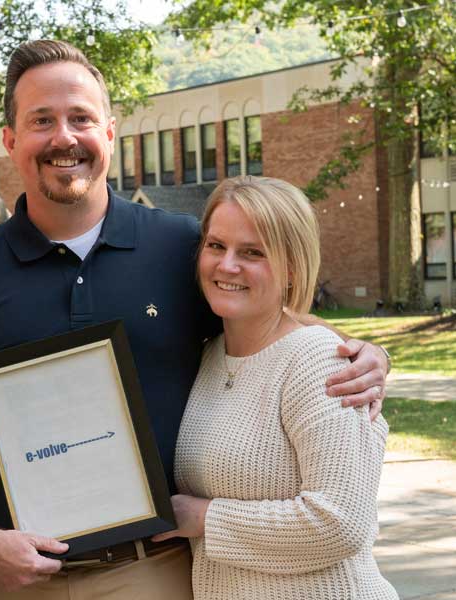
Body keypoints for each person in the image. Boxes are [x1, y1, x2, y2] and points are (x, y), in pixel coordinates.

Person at [0, 40, 391, 599]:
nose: (64, 138)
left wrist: (365, 351)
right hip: (7, 573)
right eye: (42, 120)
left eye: (81, 118)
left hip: (155, 571)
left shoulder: (185, 247)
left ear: (111, 132)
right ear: (11, 140)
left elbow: (270, 319)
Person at [159, 176, 397, 599]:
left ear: (291, 268)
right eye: (216, 246)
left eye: (252, 252)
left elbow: (341, 522)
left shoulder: (319, 361)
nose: (227, 266)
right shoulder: (208, 357)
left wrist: (204, 519)